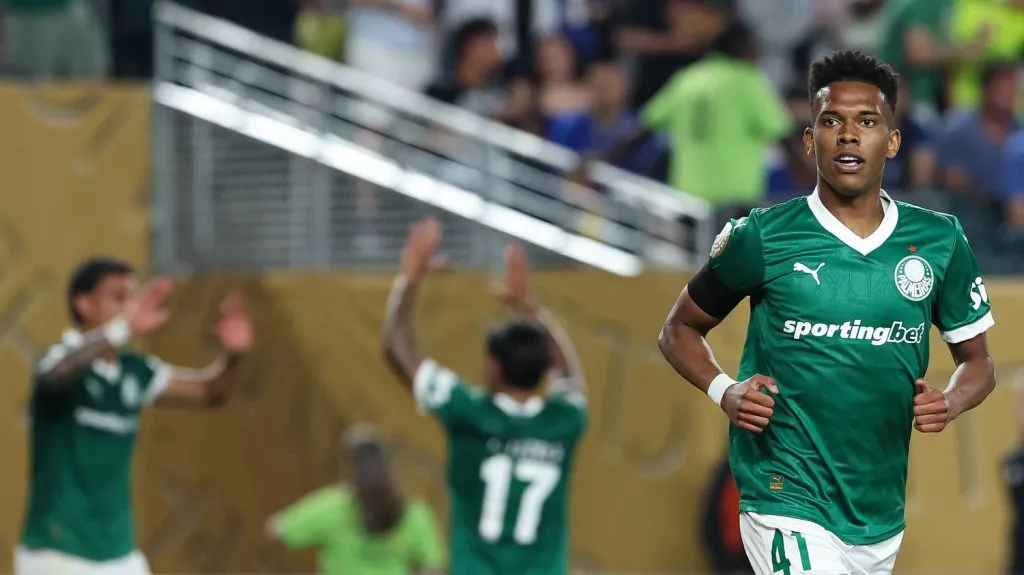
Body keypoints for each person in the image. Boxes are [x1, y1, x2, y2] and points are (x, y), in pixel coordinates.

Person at [657, 50, 997, 575]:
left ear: (892, 140)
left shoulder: (938, 242)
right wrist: (725, 390)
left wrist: (950, 402)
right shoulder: (763, 237)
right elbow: (678, 330)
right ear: (810, 140)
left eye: (867, 121)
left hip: (877, 510)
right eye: (831, 121)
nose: (848, 135)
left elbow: (979, 365)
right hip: (783, 492)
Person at [16, 257, 254, 575]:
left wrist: (234, 356)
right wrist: (120, 330)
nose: (130, 307)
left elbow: (210, 391)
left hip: (117, 551)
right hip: (57, 550)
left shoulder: (135, 371)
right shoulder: (62, 360)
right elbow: (56, 375)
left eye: (134, 297)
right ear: (84, 304)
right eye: (119, 297)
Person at [381, 218, 587, 575]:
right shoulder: (564, 421)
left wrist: (408, 280)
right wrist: (531, 308)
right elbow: (569, 374)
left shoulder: (468, 413)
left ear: (493, 366)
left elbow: (396, 351)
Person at [266, 426, 445, 575]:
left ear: (348, 467)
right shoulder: (415, 514)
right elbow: (433, 568)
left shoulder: (331, 506)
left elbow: (275, 530)